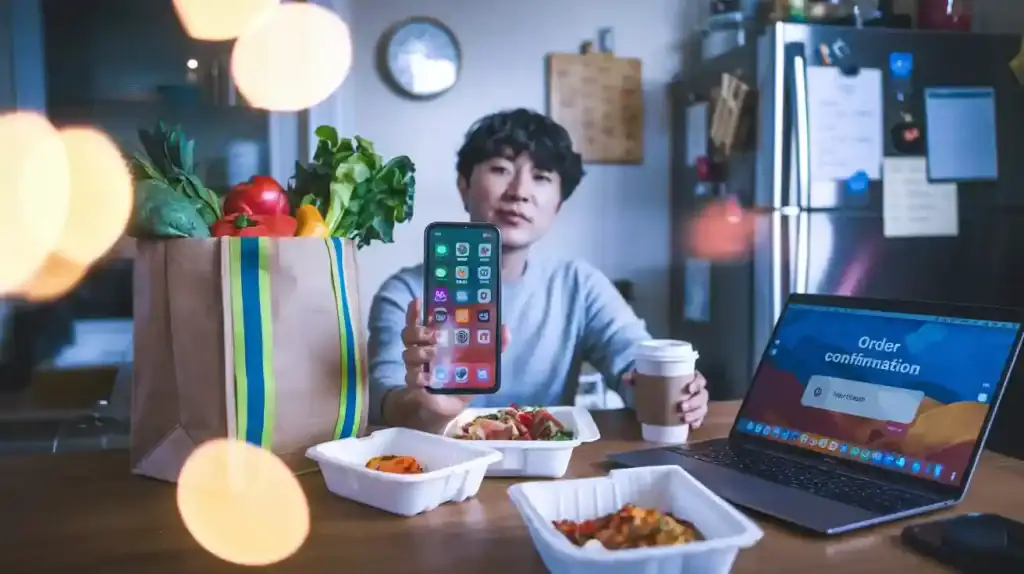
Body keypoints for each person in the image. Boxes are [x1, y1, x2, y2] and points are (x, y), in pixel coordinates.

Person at [367, 108, 709, 432]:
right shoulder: (405, 293)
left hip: (547, 471)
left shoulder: (579, 284)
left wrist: (676, 390)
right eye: (501, 169)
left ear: (558, 205)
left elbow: (632, 364)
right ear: (464, 186)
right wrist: (425, 407)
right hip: (438, 468)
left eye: (541, 177)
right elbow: (383, 400)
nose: (519, 193)